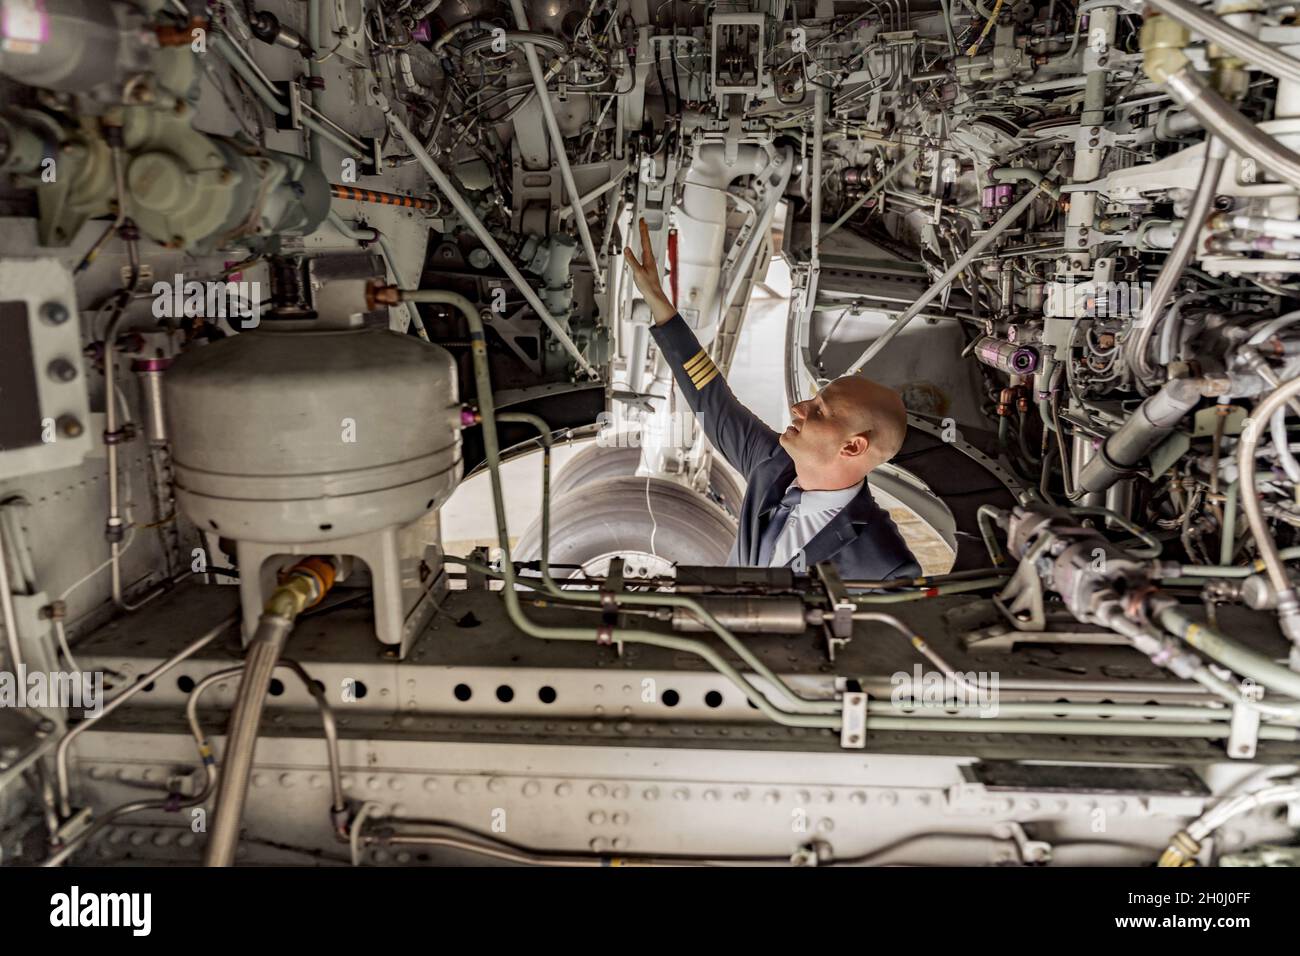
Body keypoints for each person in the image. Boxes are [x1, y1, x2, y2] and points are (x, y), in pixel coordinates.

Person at [624, 218, 921, 581]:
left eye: (820, 412)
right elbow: (711, 399)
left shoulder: (884, 564)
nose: (799, 409)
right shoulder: (772, 467)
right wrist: (661, 308)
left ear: (854, 446)